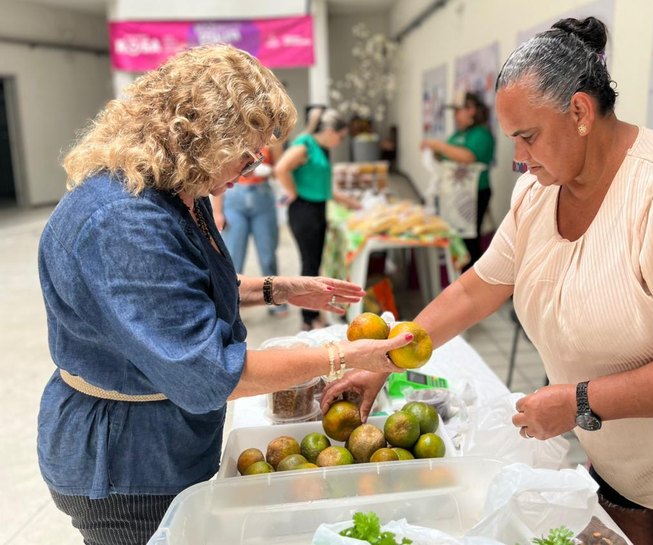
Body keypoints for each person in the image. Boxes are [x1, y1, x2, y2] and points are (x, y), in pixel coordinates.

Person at [323, 17, 653, 545]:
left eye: (528, 137)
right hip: (620, 458)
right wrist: (388, 361)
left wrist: (580, 401)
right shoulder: (538, 193)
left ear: (579, 111)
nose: (518, 158)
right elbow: (476, 287)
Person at [37, 44, 409, 545]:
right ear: (203, 137)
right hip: (126, 467)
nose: (254, 167)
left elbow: (176, 296)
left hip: (161, 441)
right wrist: (341, 355)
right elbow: (208, 373)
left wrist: (278, 288)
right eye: (247, 151)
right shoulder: (125, 222)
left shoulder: (178, 193)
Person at [275, 107, 361, 331]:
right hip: (305, 211)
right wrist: (293, 193)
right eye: (340, 137)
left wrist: (352, 204)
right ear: (331, 131)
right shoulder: (305, 144)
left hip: (316, 208)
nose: (340, 142)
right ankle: (309, 318)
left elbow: (325, 189)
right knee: (310, 265)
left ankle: (313, 314)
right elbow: (281, 168)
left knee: (314, 264)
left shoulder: (319, 149)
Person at [421, 91, 495, 270]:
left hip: (475, 193)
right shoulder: (456, 136)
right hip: (453, 195)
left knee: (469, 240)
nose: (455, 116)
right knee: (457, 239)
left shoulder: (481, 135)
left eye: (457, 111)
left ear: (471, 110)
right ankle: (462, 278)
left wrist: (439, 146)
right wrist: (435, 154)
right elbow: (449, 157)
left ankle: (475, 281)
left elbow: (468, 157)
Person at [213, 142, 289, 316]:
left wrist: (266, 170)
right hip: (234, 195)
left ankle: (276, 300)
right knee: (233, 256)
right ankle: (230, 304)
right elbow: (220, 173)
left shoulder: (272, 143)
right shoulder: (233, 137)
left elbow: (279, 171)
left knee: (267, 254)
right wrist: (218, 211)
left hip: (262, 195)